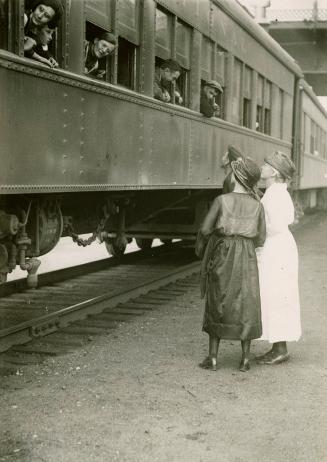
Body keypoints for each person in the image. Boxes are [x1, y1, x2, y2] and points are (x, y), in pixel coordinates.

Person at [197, 156, 266, 372]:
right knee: (246, 301)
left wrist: (206, 245)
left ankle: (213, 358)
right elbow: (261, 238)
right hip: (247, 254)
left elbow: (206, 229)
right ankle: (245, 359)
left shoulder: (222, 200)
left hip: (223, 252)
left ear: (236, 176)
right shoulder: (257, 205)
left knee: (218, 298)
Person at [256, 151, 301, 365]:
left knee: (277, 294)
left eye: (265, 165)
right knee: (276, 294)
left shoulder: (276, 194)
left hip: (276, 248)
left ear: (273, 171)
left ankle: (280, 348)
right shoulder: (275, 191)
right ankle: (277, 346)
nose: (262, 167)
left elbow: (274, 226)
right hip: (279, 246)